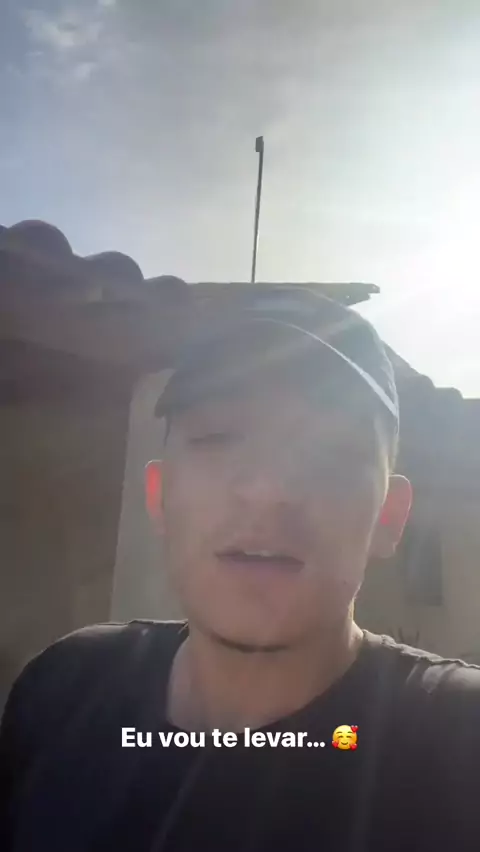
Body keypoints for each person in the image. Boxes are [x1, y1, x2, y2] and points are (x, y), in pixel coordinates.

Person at [1, 286, 479, 852]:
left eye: (329, 452)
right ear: (159, 495)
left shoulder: (458, 740)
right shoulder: (64, 689)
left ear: (388, 517)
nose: (268, 490)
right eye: (217, 438)